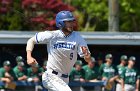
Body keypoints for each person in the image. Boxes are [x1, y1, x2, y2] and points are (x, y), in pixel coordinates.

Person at [26, 10, 91, 91]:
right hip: (51, 76)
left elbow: (87, 59)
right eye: (68, 22)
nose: (71, 24)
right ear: (60, 23)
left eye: (72, 21)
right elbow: (31, 40)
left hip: (65, 78)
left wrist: (87, 56)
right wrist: (29, 56)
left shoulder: (77, 37)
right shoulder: (53, 35)